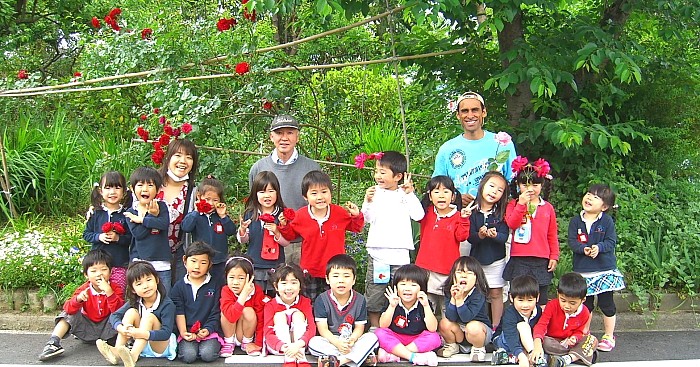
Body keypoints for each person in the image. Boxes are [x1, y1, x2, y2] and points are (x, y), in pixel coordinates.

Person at [360, 151, 424, 328]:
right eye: (376, 171)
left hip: (400, 255)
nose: (378, 176)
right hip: (378, 254)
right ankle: (374, 328)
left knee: (401, 291)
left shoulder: (405, 194)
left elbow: (419, 215)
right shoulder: (374, 193)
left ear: (398, 176)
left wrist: (411, 194)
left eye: (383, 172)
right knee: (375, 292)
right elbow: (366, 219)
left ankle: (399, 326)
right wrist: (367, 201)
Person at [278, 170, 364, 301]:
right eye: (314, 193)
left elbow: (356, 227)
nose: (320, 197)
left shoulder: (339, 213)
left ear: (330, 193)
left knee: (333, 302)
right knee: (309, 302)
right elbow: (290, 236)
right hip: (310, 270)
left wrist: (356, 215)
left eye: (324, 192)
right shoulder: (300, 215)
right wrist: (284, 225)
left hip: (334, 270)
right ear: (305, 197)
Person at [249, 114, 321, 265]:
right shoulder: (259, 168)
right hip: (271, 243)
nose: (284, 138)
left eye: (290, 133)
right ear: (271, 137)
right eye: (279, 133)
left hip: (304, 242)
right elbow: (254, 205)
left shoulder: (312, 168)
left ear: (297, 137)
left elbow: (320, 205)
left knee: (302, 287)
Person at [38, 250, 125, 361]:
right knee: (68, 313)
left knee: (127, 312)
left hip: (109, 331)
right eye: (93, 271)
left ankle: (127, 344)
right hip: (87, 330)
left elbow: (119, 311)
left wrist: (109, 292)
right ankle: (53, 343)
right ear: (86, 274)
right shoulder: (84, 289)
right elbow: (67, 308)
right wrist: (78, 300)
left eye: (104, 270)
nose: (99, 274)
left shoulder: (115, 288)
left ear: (110, 272)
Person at [433, 91, 517, 206]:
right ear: (458, 115)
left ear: (484, 112)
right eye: (464, 111)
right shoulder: (447, 149)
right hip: (460, 217)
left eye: (475, 110)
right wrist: (455, 197)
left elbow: (514, 182)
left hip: (496, 217)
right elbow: (436, 187)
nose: (470, 115)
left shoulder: (502, 143)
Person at [568, 184, 623, 352]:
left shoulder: (607, 221)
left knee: (607, 304)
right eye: (588, 194)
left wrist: (598, 248)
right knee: (586, 305)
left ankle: (608, 335)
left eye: (595, 197)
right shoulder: (575, 220)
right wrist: (582, 249)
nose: (589, 198)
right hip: (583, 271)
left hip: (604, 270)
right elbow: (572, 242)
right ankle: (585, 334)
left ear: (604, 206)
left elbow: (611, 242)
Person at [96, 261, 177, 367]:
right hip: (141, 344)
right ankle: (116, 352)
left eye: (149, 280)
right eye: (139, 284)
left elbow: (166, 333)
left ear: (156, 280)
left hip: (160, 345)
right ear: (133, 289)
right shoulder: (135, 301)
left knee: (149, 317)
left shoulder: (167, 304)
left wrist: (140, 333)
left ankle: (133, 357)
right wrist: (121, 328)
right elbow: (115, 315)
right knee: (131, 312)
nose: (146, 286)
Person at [504, 158, 558, 305]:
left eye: (535, 185)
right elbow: (512, 224)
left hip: (541, 258)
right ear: (518, 185)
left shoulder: (547, 207)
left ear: (542, 185)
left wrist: (554, 255)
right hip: (519, 257)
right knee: (519, 294)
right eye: (525, 185)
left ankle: (540, 326)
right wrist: (521, 204)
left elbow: (552, 234)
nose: (530, 189)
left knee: (541, 297)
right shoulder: (513, 204)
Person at [308, 254, 379, 367]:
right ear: (327, 279)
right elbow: (323, 330)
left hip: (352, 341)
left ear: (354, 280)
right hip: (331, 340)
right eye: (335, 276)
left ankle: (339, 361)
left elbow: (359, 328)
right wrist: (338, 343)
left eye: (346, 276)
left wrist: (352, 340)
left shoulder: (360, 300)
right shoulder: (321, 299)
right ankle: (359, 358)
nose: (341, 281)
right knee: (313, 343)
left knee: (372, 337)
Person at [415, 175, 472, 315]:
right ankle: (429, 334)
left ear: (453, 196)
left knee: (448, 308)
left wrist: (464, 219)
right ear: (429, 196)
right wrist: (410, 192)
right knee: (427, 306)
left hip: (448, 270)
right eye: (436, 191)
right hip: (425, 268)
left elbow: (462, 236)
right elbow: (413, 212)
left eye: (446, 191)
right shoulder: (425, 213)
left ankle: (447, 334)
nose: (441, 195)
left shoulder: (458, 215)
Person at [374, 264, 441, 366]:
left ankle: (396, 354)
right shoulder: (392, 301)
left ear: (421, 289)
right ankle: (413, 357)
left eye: (413, 285)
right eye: (403, 284)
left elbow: (432, 329)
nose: (408, 289)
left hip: (416, 340)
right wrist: (392, 306)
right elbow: (383, 325)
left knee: (434, 338)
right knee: (379, 333)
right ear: (396, 286)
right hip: (396, 338)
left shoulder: (423, 303)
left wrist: (426, 306)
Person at [467, 171, 510, 329]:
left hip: (496, 260)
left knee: (496, 293)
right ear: (482, 186)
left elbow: (504, 237)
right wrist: (480, 235)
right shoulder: (472, 211)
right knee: (476, 294)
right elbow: (470, 237)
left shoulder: (502, 213)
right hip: (476, 260)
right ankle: (478, 326)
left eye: (500, 190)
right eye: (491, 186)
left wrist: (494, 235)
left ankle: (496, 327)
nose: (494, 191)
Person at [238, 171, 291, 295]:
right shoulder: (251, 213)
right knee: (256, 297)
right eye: (262, 192)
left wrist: (277, 232)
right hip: (255, 264)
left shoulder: (283, 214)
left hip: (277, 265)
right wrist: (242, 230)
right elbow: (244, 240)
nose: (267, 195)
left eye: (271, 191)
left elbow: (286, 242)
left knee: (275, 297)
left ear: (277, 192)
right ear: (255, 194)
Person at [170, 241, 222, 363]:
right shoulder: (178, 287)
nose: (197, 266)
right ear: (185, 260)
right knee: (189, 356)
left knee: (207, 354)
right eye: (193, 261)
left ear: (209, 265)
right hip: (187, 332)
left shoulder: (215, 285)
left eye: (203, 262)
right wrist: (183, 332)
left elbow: (216, 311)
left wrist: (208, 329)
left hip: (209, 332)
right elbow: (179, 311)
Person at [531, 273, 598, 367]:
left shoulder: (585, 312)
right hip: (554, 342)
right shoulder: (552, 306)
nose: (567, 306)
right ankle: (578, 355)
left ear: (582, 300)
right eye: (563, 300)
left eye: (572, 303)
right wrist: (537, 343)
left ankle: (565, 359)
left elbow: (580, 331)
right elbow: (541, 325)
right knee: (545, 342)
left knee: (592, 340)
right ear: (558, 294)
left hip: (570, 343)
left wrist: (575, 338)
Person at [156, 138, 199, 284]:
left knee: (174, 298)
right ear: (168, 157)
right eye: (178, 155)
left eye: (189, 157)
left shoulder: (193, 192)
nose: (183, 161)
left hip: (179, 254)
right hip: (150, 253)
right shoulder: (152, 183)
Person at [124, 167, 172, 295]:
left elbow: (163, 224)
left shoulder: (161, 207)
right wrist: (151, 216)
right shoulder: (130, 212)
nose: (145, 189)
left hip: (161, 263)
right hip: (139, 264)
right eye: (140, 185)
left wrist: (141, 220)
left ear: (158, 189)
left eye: (150, 185)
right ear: (132, 188)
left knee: (164, 298)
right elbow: (139, 234)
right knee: (138, 300)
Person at [83, 171, 133, 291]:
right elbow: (86, 234)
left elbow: (131, 238)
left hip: (119, 264)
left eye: (117, 187)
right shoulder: (96, 213)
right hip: (98, 265)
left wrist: (118, 238)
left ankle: (116, 310)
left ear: (124, 191)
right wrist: (98, 237)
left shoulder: (127, 214)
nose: (112, 192)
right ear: (101, 191)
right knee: (98, 293)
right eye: (108, 187)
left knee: (117, 294)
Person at [436, 256, 492, 362]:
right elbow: (450, 317)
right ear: (453, 276)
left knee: (473, 327)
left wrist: (460, 300)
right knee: (444, 323)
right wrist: (454, 298)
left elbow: (467, 317)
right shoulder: (450, 291)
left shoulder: (479, 293)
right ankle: (452, 346)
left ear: (476, 278)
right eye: (459, 272)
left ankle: (478, 349)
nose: (464, 276)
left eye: (469, 273)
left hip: (479, 333)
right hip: (460, 333)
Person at [180, 176, 236, 281]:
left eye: (215, 200)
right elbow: (186, 227)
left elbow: (231, 231)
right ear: (199, 196)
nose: (210, 203)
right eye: (207, 199)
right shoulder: (195, 215)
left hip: (219, 260)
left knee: (218, 285)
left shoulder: (220, 216)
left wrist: (223, 217)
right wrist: (196, 212)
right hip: (201, 260)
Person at [263, 263, 316, 367]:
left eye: (293, 283)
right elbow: (268, 332)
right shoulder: (270, 305)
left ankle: (302, 361)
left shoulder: (305, 302)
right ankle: (290, 360)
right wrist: (284, 347)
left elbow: (311, 328)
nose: (289, 287)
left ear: (300, 285)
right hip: (279, 347)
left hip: (300, 345)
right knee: (279, 316)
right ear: (276, 286)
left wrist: (298, 345)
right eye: (284, 283)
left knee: (297, 315)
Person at [219, 255, 271, 357]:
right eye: (231, 277)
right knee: (225, 311)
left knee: (248, 310)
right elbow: (231, 317)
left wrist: (258, 343)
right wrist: (243, 296)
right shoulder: (226, 290)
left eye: (241, 278)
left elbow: (261, 318)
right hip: (230, 332)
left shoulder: (257, 291)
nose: (235, 282)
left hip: (244, 333)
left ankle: (247, 342)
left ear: (250, 278)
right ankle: (228, 343)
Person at [491, 275, 544, 367]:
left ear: (537, 297)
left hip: (523, 342)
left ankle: (508, 357)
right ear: (511, 298)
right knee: (522, 326)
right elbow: (510, 335)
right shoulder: (510, 312)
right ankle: (533, 356)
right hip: (504, 339)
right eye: (520, 300)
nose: (525, 305)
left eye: (530, 300)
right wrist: (521, 355)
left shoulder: (538, 311)